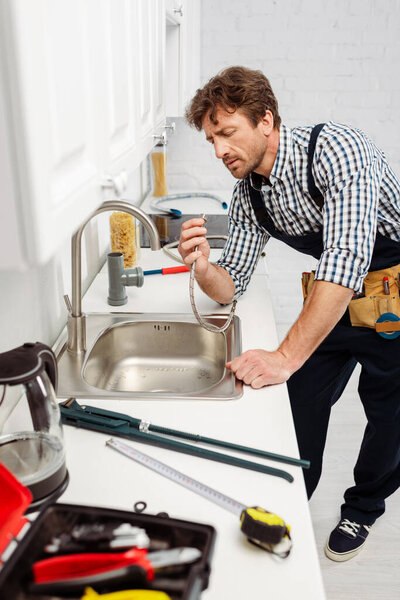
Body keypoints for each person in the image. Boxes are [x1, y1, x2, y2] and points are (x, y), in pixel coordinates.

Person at [178, 66, 400, 562]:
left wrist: (283, 354)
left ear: (265, 120)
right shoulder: (250, 195)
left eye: (227, 133)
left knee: (389, 414)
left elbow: (346, 257)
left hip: (393, 288)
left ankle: (363, 509)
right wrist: (202, 267)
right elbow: (230, 282)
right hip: (338, 293)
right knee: (300, 400)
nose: (219, 151)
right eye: (212, 139)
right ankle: (291, 499)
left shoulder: (337, 150)